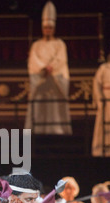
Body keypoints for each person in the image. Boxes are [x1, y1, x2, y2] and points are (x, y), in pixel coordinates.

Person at [25, 1, 72, 135]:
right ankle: (38, 129)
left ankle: (57, 129)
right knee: (40, 104)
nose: (48, 30)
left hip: (55, 78)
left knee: (55, 105)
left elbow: (61, 59)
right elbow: (33, 59)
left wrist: (51, 67)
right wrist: (43, 68)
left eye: (50, 28)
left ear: (54, 28)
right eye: (46, 28)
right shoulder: (37, 45)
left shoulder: (59, 44)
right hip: (42, 78)